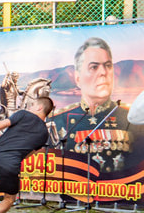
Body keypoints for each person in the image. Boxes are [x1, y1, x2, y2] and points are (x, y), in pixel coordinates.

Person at [48, 37, 136, 175]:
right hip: (74, 192)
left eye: (108, 66)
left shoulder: (133, 118)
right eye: (94, 67)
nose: (103, 72)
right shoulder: (57, 120)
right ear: (78, 78)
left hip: (119, 192)